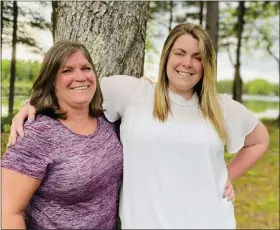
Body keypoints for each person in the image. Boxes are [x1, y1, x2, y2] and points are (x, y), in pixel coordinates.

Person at [7, 23, 267, 228]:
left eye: (197, 57)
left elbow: (259, 140)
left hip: (211, 222)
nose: (187, 63)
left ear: (206, 64)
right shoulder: (131, 92)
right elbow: (77, 87)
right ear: (167, 56)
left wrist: (225, 177)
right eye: (180, 53)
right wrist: (31, 105)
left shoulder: (221, 107)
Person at [1, 41, 123, 229]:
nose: (80, 77)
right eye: (67, 71)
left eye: (86, 68)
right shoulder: (36, 135)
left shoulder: (107, 120)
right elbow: (8, 212)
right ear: (51, 81)